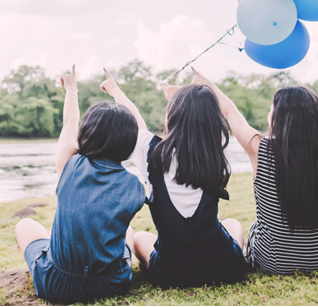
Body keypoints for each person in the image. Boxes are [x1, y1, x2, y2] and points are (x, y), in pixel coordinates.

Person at [103, 75, 251, 288]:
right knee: (233, 224)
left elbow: (136, 123)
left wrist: (115, 90)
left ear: (171, 116)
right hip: (224, 267)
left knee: (140, 239)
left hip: (171, 273)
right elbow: (206, 115)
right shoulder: (216, 149)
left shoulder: (150, 153)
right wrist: (184, 94)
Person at [15, 64, 144, 305]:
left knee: (25, 225)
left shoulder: (69, 163)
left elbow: (69, 123)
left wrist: (71, 90)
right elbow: (139, 128)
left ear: (87, 133)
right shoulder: (134, 185)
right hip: (111, 284)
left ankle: (50, 245)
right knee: (127, 232)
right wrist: (117, 92)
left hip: (56, 285)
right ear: (130, 140)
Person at [194, 70, 318, 274]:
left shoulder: (261, 149)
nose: (269, 114)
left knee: (247, 228)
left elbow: (229, 112)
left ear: (279, 117)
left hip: (273, 261)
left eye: (272, 110)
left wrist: (208, 84)